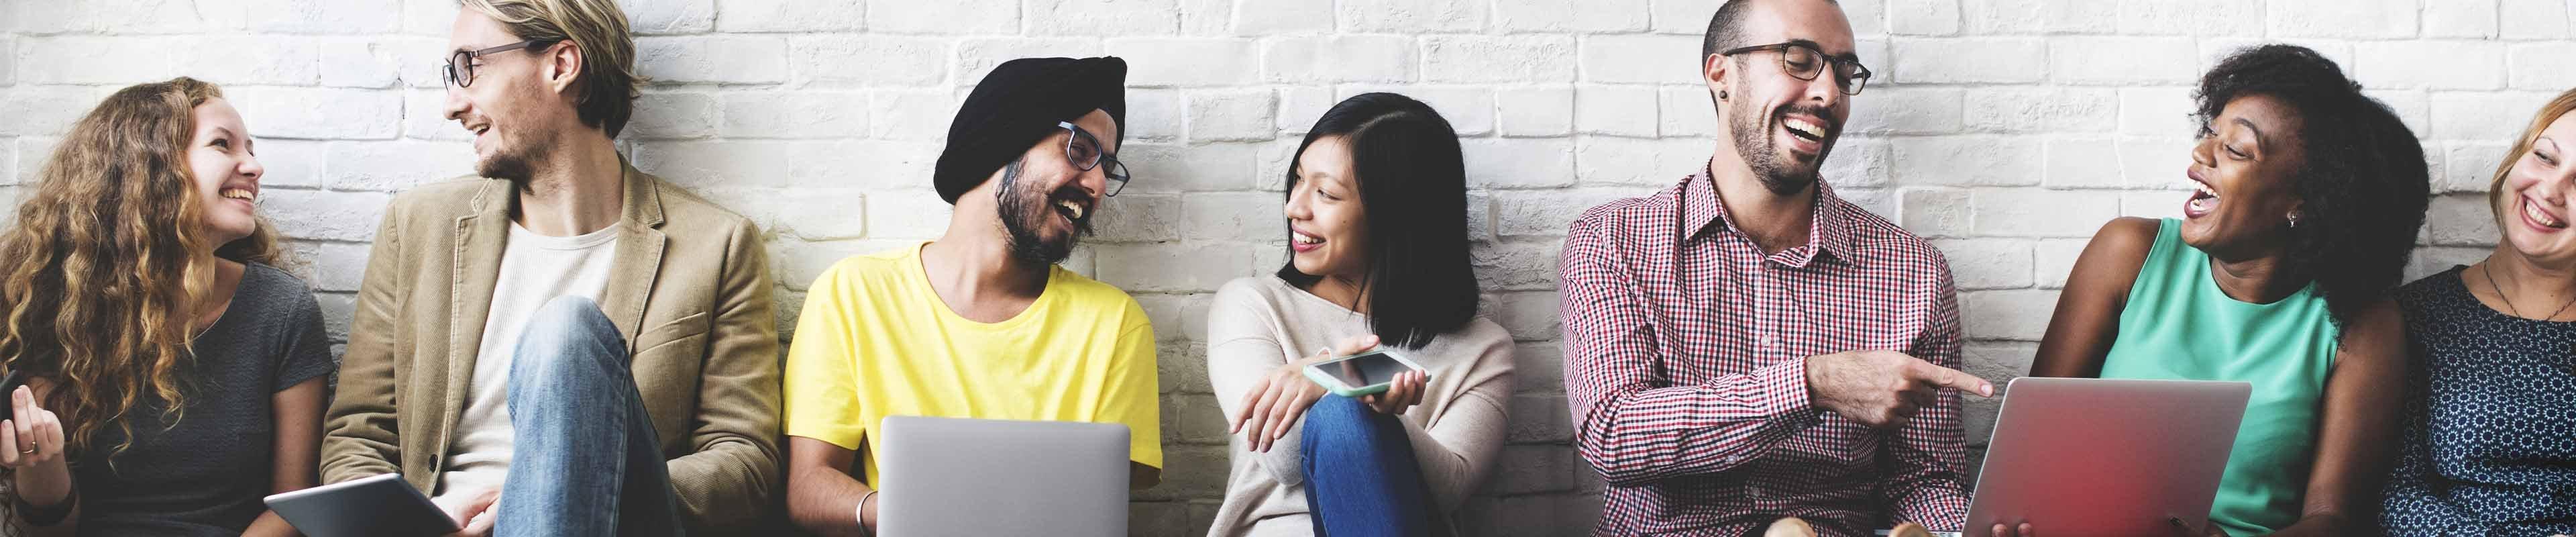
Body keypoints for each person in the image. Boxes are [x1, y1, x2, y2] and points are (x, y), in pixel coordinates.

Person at [317, 0, 782, 534]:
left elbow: (744, 461)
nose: (452, 104)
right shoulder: (419, 226)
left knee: (567, 332)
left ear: (561, 65)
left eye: (470, 66)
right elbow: (359, 436)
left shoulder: (716, 246)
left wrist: (565, 482)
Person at [1558, 0, 1995, 535]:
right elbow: (1613, 433)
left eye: (1843, 71)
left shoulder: (1913, 271)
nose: (1829, 93)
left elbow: (1923, 479)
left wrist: (1960, 528)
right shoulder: (1613, 241)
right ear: (1722, 74)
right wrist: (1813, 384)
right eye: (1799, 59)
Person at [2025, 44, 2424, 536]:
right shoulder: (2128, 253)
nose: (2201, 153)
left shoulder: (2361, 323)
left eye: (2236, 149)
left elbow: (2333, 519)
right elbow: (2030, 444)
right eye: (2211, 133)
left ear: (2305, 201)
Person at [779, 56, 1160, 536]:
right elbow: (809, 487)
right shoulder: (853, 295)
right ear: (1005, 139)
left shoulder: (1114, 325)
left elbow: (1098, 514)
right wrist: (918, 516)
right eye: (1080, 150)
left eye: (1108, 166)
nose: (1099, 185)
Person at [0, 77, 333, 537]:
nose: (254, 167)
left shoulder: (281, 310)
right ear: (151, 168)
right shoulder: (55, 305)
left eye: (251, 150)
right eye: (224, 145)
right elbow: (46, 530)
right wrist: (44, 466)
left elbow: (294, 509)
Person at [1204, 93, 1515, 536]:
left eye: (1327, 193)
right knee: (1343, 415)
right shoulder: (1252, 305)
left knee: (1348, 415)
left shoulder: (1483, 348)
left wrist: (1356, 386)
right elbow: (1281, 457)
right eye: (1297, 181)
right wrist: (1344, 375)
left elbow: (1450, 490)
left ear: (1394, 216)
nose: (1295, 207)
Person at [2377, 88, 2576, 536]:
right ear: (2515, 161)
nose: (2551, 189)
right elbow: (2397, 494)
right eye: (2545, 157)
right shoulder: (2418, 315)